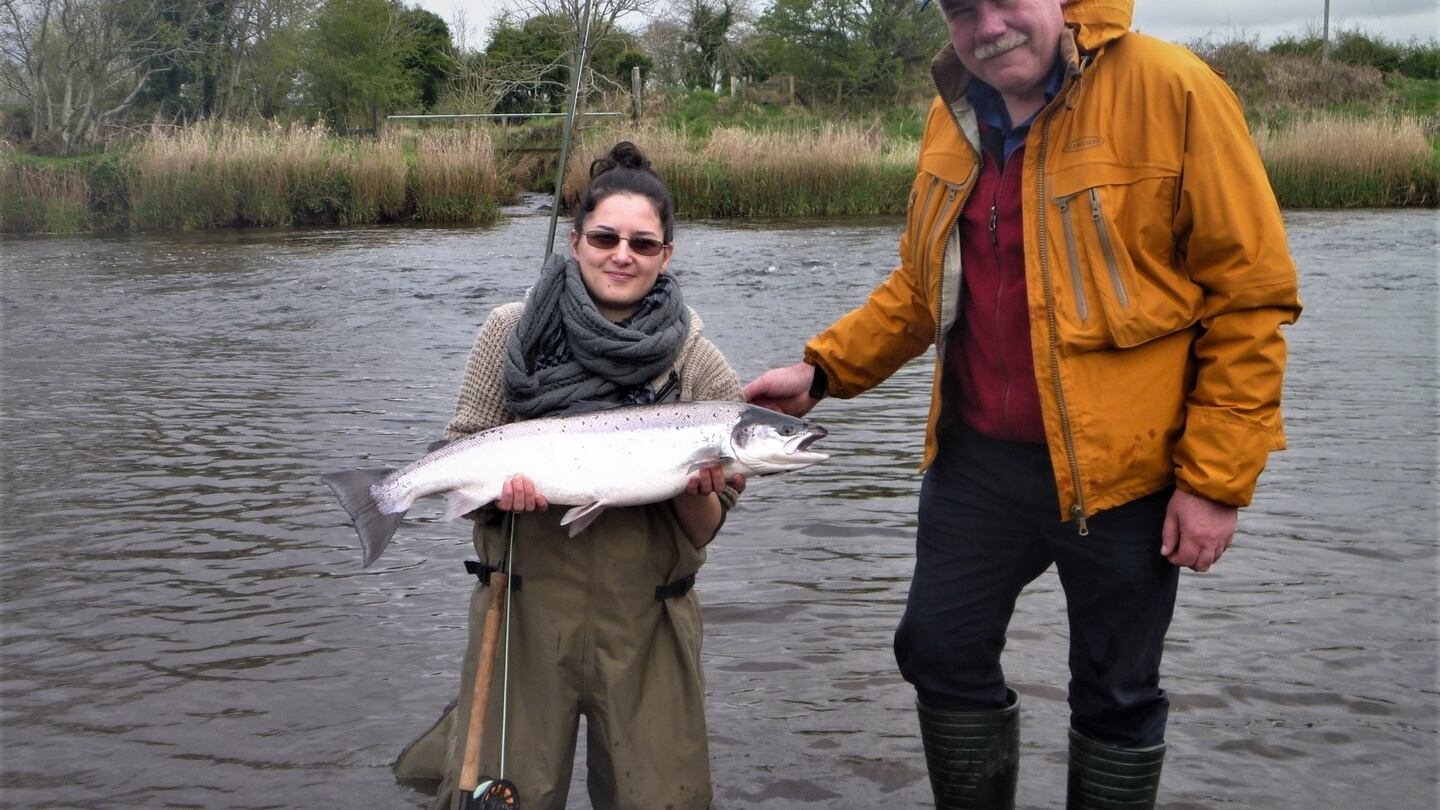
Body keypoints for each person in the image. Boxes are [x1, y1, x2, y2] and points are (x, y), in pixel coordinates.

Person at [743, 0, 1301, 807]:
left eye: (1005, 0)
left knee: (1116, 692)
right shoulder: (952, 112)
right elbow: (920, 289)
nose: (988, 27)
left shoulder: (1174, 89)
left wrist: (1215, 481)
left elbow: (1249, 300)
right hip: (977, 465)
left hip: (1125, 474)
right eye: (962, 10)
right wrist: (822, 370)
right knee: (937, 650)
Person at [393, 141, 745, 810]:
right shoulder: (510, 330)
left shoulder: (698, 361)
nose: (622, 255)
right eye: (605, 238)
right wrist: (499, 500)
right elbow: (465, 454)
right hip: (521, 609)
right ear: (576, 240)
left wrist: (697, 490)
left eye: (643, 244)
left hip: (650, 619)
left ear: (667, 254)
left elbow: (706, 529)